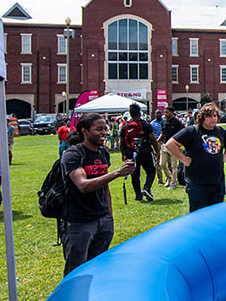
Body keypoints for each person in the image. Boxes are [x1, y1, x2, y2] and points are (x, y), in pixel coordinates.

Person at [60, 113, 135, 276]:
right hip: (79, 221)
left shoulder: (103, 153)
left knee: (98, 267)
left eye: (105, 128)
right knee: (76, 270)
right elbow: (83, 185)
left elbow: (104, 187)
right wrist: (117, 173)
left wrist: (109, 215)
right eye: (98, 129)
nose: (104, 133)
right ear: (84, 131)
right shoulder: (73, 155)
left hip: (102, 219)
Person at [166, 103, 226, 212]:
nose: (213, 119)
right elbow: (170, 144)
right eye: (209, 116)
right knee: (198, 214)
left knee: (216, 214)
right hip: (197, 183)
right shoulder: (192, 131)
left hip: (217, 182)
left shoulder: (220, 131)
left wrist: (225, 156)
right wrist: (184, 159)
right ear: (202, 117)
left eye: (215, 116)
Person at [120, 103, 158, 202]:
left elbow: (122, 142)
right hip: (145, 151)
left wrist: (123, 154)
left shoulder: (125, 127)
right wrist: (156, 151)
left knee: (135, 174)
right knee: (151, 171)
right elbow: (152, 139)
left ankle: (138, 196)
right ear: (140, 113)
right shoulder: (146, 125)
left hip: (131, 153)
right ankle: (146, 188)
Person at [157, 108, 185, 189]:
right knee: (162, 164)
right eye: (164, 112)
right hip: (164, 145)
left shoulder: (177, 122)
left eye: (167, 112)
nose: (165, 113)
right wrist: (156, 142)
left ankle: (173, 183)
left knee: (173, 165)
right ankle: (169, 177)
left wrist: (179, 144)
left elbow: (182, 133)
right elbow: (162, 134)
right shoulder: (163, 122)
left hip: (174, 146)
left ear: (172, 113)